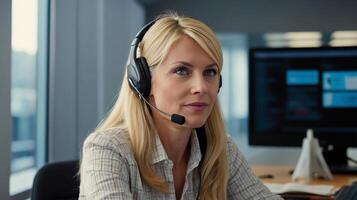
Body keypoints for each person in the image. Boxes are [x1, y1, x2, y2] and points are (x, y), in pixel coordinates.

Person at [79, 13, 282, 200]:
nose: (201, 87)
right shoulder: (108, 149)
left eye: (210, 72)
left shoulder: (219, 149)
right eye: (182, 71)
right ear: (144, 81)